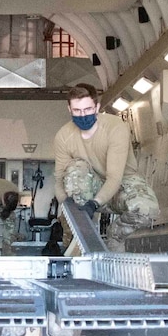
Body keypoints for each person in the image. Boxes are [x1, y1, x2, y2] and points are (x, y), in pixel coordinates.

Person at [52, 82, 133, 253]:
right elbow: (59, 178)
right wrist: (66, 203)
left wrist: (94, 204)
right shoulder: (63, 136)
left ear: (97, 107)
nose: (83, 115)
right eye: (77, 111)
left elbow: (114, 177)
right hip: (87, 185)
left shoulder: (115, 127)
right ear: (69, 110)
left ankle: (114, 235)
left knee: (147, 208)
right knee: (76, 170)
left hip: (117, 185)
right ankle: (75, 242)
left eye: (88, 109)